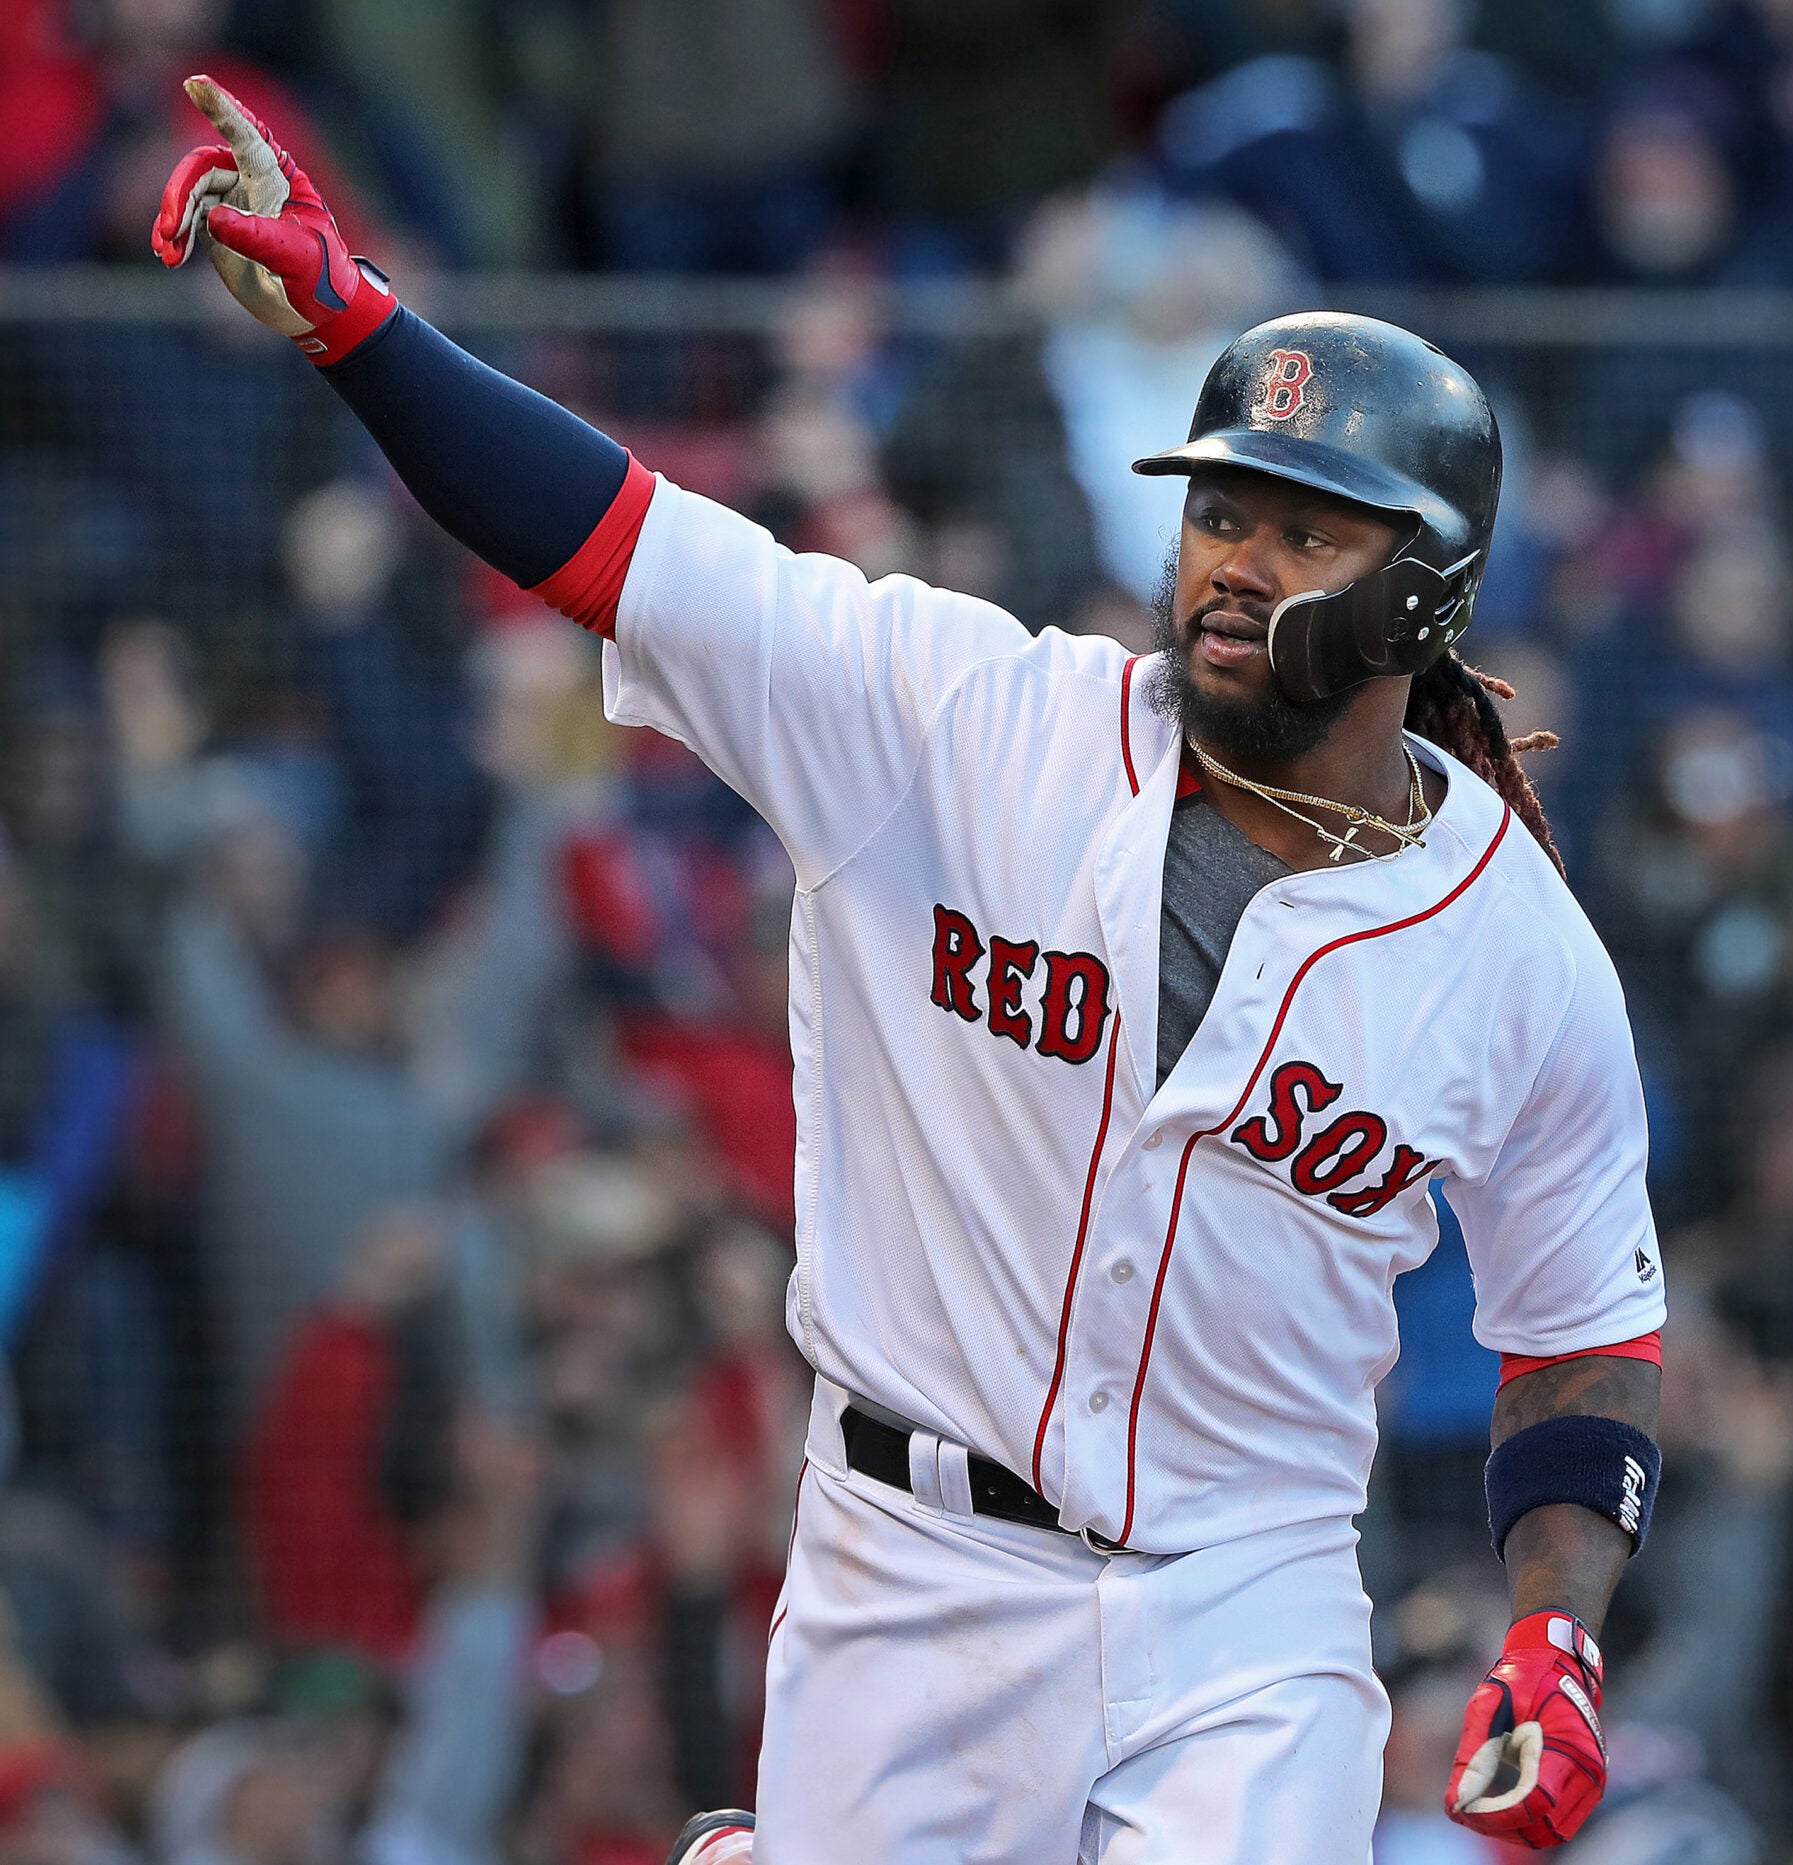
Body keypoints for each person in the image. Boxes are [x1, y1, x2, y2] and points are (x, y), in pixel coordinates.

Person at [152, 78, 1667, 1864]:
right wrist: (357, 322)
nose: (1235, 564)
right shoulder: (956, 720)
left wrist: (1555, 1629)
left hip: (1245, 1598)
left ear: (1427, 593)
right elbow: (623, 542)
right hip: (906, 1566)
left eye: (1305, 528)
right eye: (1218, 513)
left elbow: (1582, 1336)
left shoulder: (1520, 953)